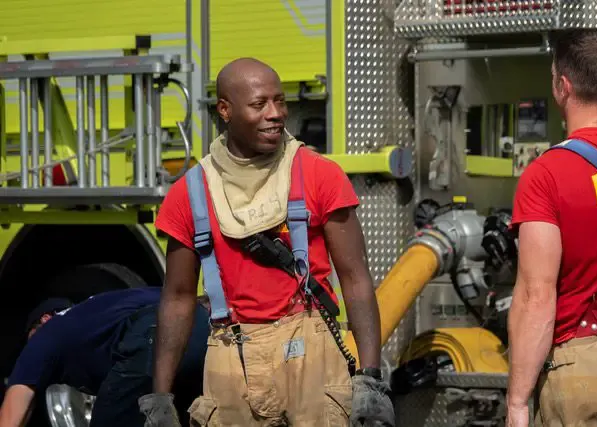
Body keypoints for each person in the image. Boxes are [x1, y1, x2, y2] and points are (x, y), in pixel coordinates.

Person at [139, 57, 394, 427]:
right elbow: (178, 299)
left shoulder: (318, 174)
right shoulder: (190, 193)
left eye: (280, 101)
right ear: (225, 110)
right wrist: (160, 398)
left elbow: (355, 278)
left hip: (313, 356)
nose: (275, 114)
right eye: (259, 104)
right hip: (231, 356)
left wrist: (370, 379)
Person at [507, 29, 597, 426]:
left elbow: (536, 297)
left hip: (586, 373)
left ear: (562, 86)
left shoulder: (546, 175)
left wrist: (517, 402)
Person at [0, 288, 210, 427]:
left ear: (45, 319)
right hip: (203, 330)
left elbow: (12, 415)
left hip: (156, 337)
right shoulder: (100, 309)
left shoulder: (45, 334)